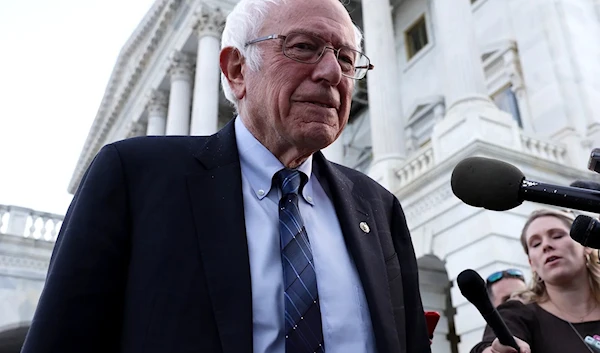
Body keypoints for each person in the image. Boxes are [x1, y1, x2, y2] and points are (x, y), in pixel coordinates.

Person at [21, 0, 431, 352]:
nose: (331, 74)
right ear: (237, 70)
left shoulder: (378, 207)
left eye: (345, 59)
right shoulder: (133, 178)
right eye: (304, 48)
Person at [471, 209, 600, 353]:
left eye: (557, 236)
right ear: (531, 262)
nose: (546, 246)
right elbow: (490, 345)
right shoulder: (516, 314)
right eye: (536, 244)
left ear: (586, 245)